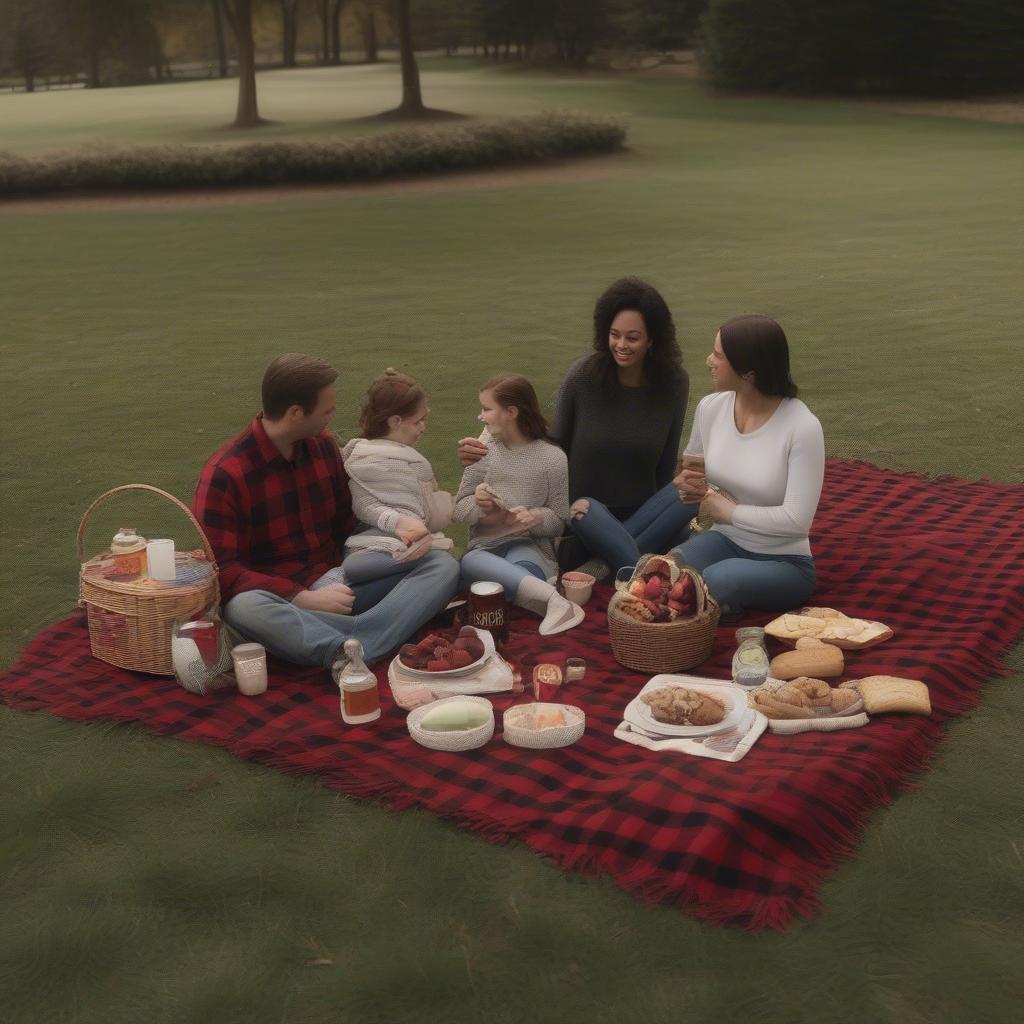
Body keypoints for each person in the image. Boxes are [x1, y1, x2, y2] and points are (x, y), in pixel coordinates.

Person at [192, 354, 460, 679]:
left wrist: (397, 535)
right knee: (243, 608)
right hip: (284, 602)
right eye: (326, 411)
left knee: (441, 565)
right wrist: (301, 597)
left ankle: (353, 642)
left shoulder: (322, 447)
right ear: (295, 413)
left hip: (343, 586)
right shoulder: (226, 474)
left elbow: (348, 522)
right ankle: (345, 644)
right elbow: (224, 570)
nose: (332, 418)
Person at [671, 315, 824, 615]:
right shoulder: (711, 408)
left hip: (784, 561)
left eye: (718, 355)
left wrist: (728, 511)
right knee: (670, 570)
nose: (708, 361)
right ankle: (712, 613)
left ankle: (716, 611)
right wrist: (688, 487)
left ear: (748, 373)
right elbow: (694, 472)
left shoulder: (802, 427)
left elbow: (797, 521)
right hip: (724, 539)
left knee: (716, 580)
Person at [453, 375, 584, 635]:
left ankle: (527, 594)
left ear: (511, 412)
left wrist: (535, 517)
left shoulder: (552, 458)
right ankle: (552, 600)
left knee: (509, 576)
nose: (481, 416)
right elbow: (459, 509)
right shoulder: (483, 451)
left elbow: (559, 522)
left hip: (529, 548)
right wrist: (480, 506)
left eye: (487, 409)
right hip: (485, 549)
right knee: (472, 561)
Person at [337, 368, 454, 588]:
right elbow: (364, 504)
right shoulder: (367, 460)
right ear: (395, 421)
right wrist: (399, 522)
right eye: (418, 421)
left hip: (413, 542)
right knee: (442, 564)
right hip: (373, 546)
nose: (423, 427)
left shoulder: (407, 459)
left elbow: (424, 508)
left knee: (444, 568)